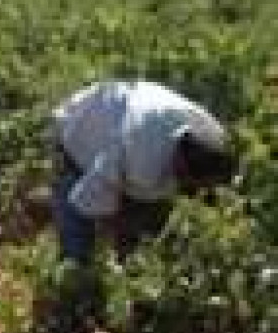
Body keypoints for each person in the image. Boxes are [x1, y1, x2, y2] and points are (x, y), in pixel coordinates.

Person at [50, 80, 238, 265]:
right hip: (81, 128)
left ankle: (126, 261)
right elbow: (93, 195)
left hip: (125, 115)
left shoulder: (211, 137)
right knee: (77, 244)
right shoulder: (136, 153)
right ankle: (72, 281)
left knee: (146, 226)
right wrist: (117, 232)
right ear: (181, 167)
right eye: (196, 184)